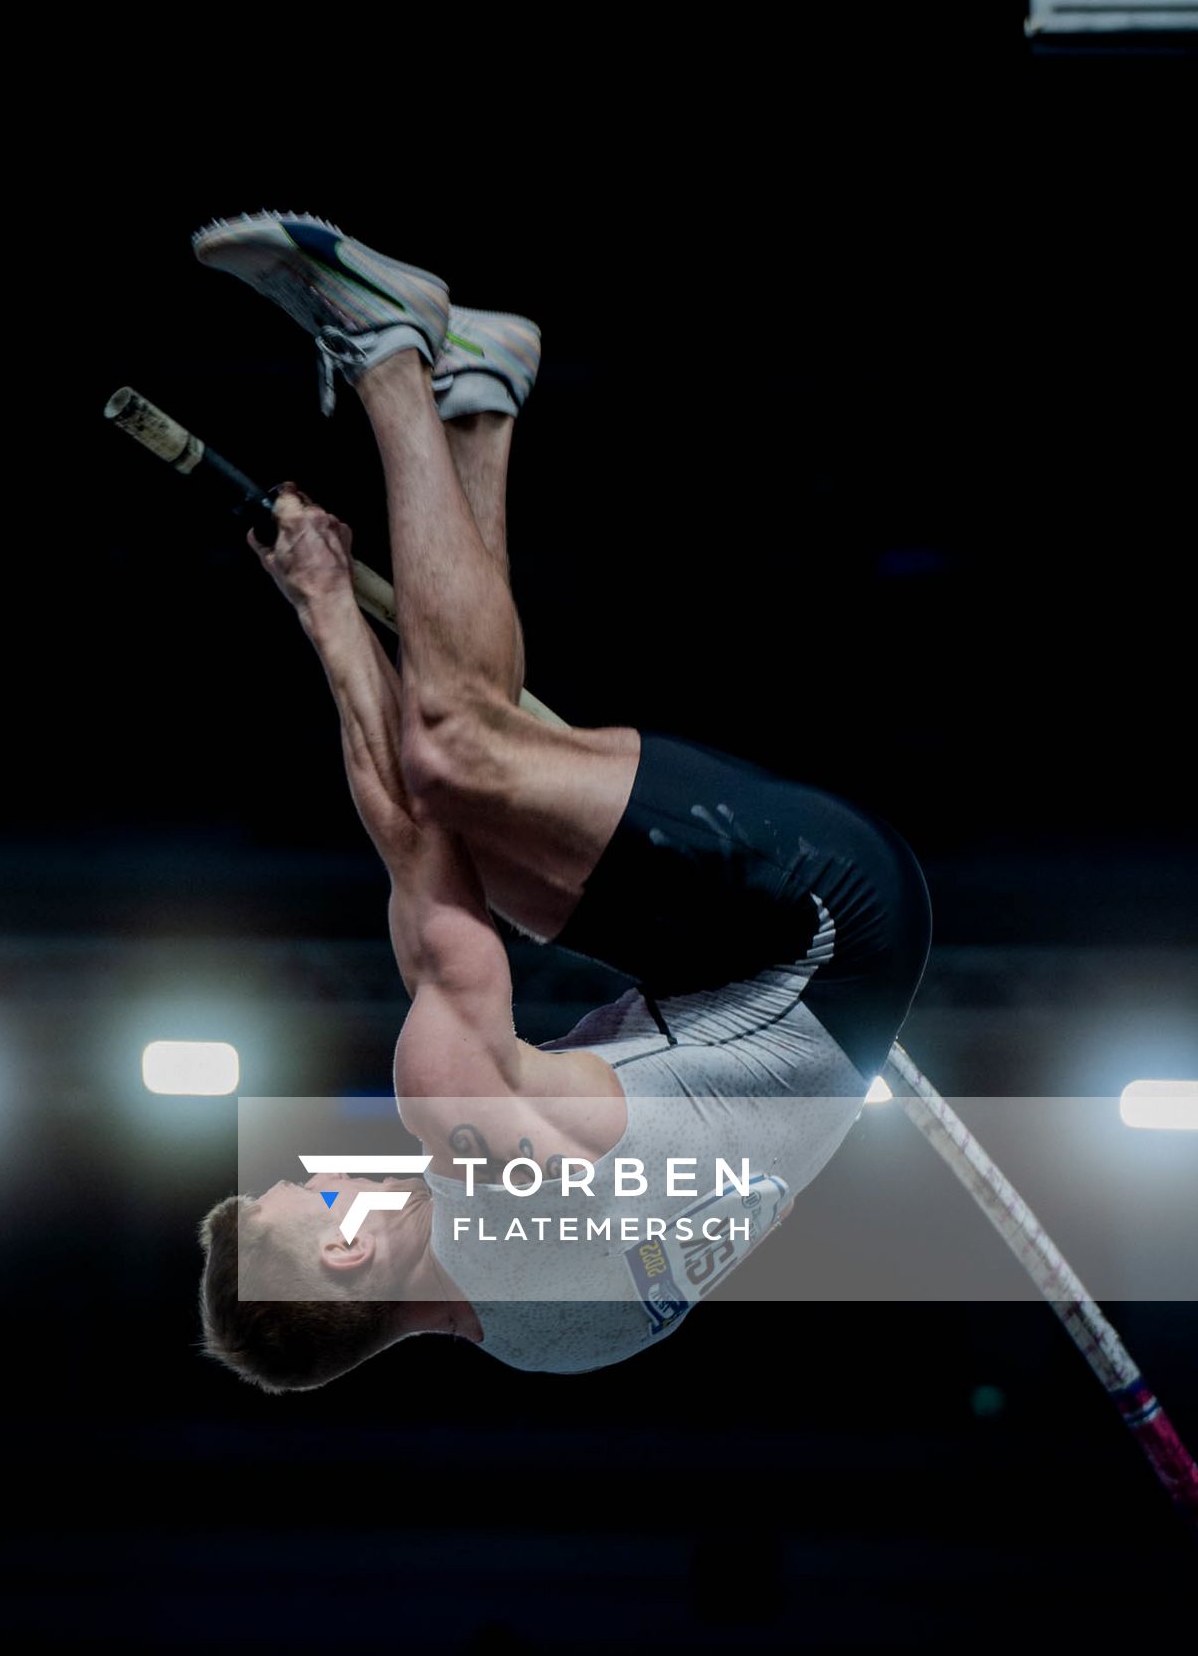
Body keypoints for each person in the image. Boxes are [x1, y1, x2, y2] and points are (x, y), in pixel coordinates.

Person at [194, 213, 933, 1389]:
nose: (323, 1166)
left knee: (485, 811)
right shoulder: (460, 1127)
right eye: (312, 1189)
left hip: (753, 994)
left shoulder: (550, 1344)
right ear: (344, 1248)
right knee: (454, 757)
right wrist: (326, 608)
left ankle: (480, 391)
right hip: (823, 925)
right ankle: (388, 350)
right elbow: (415, 842)